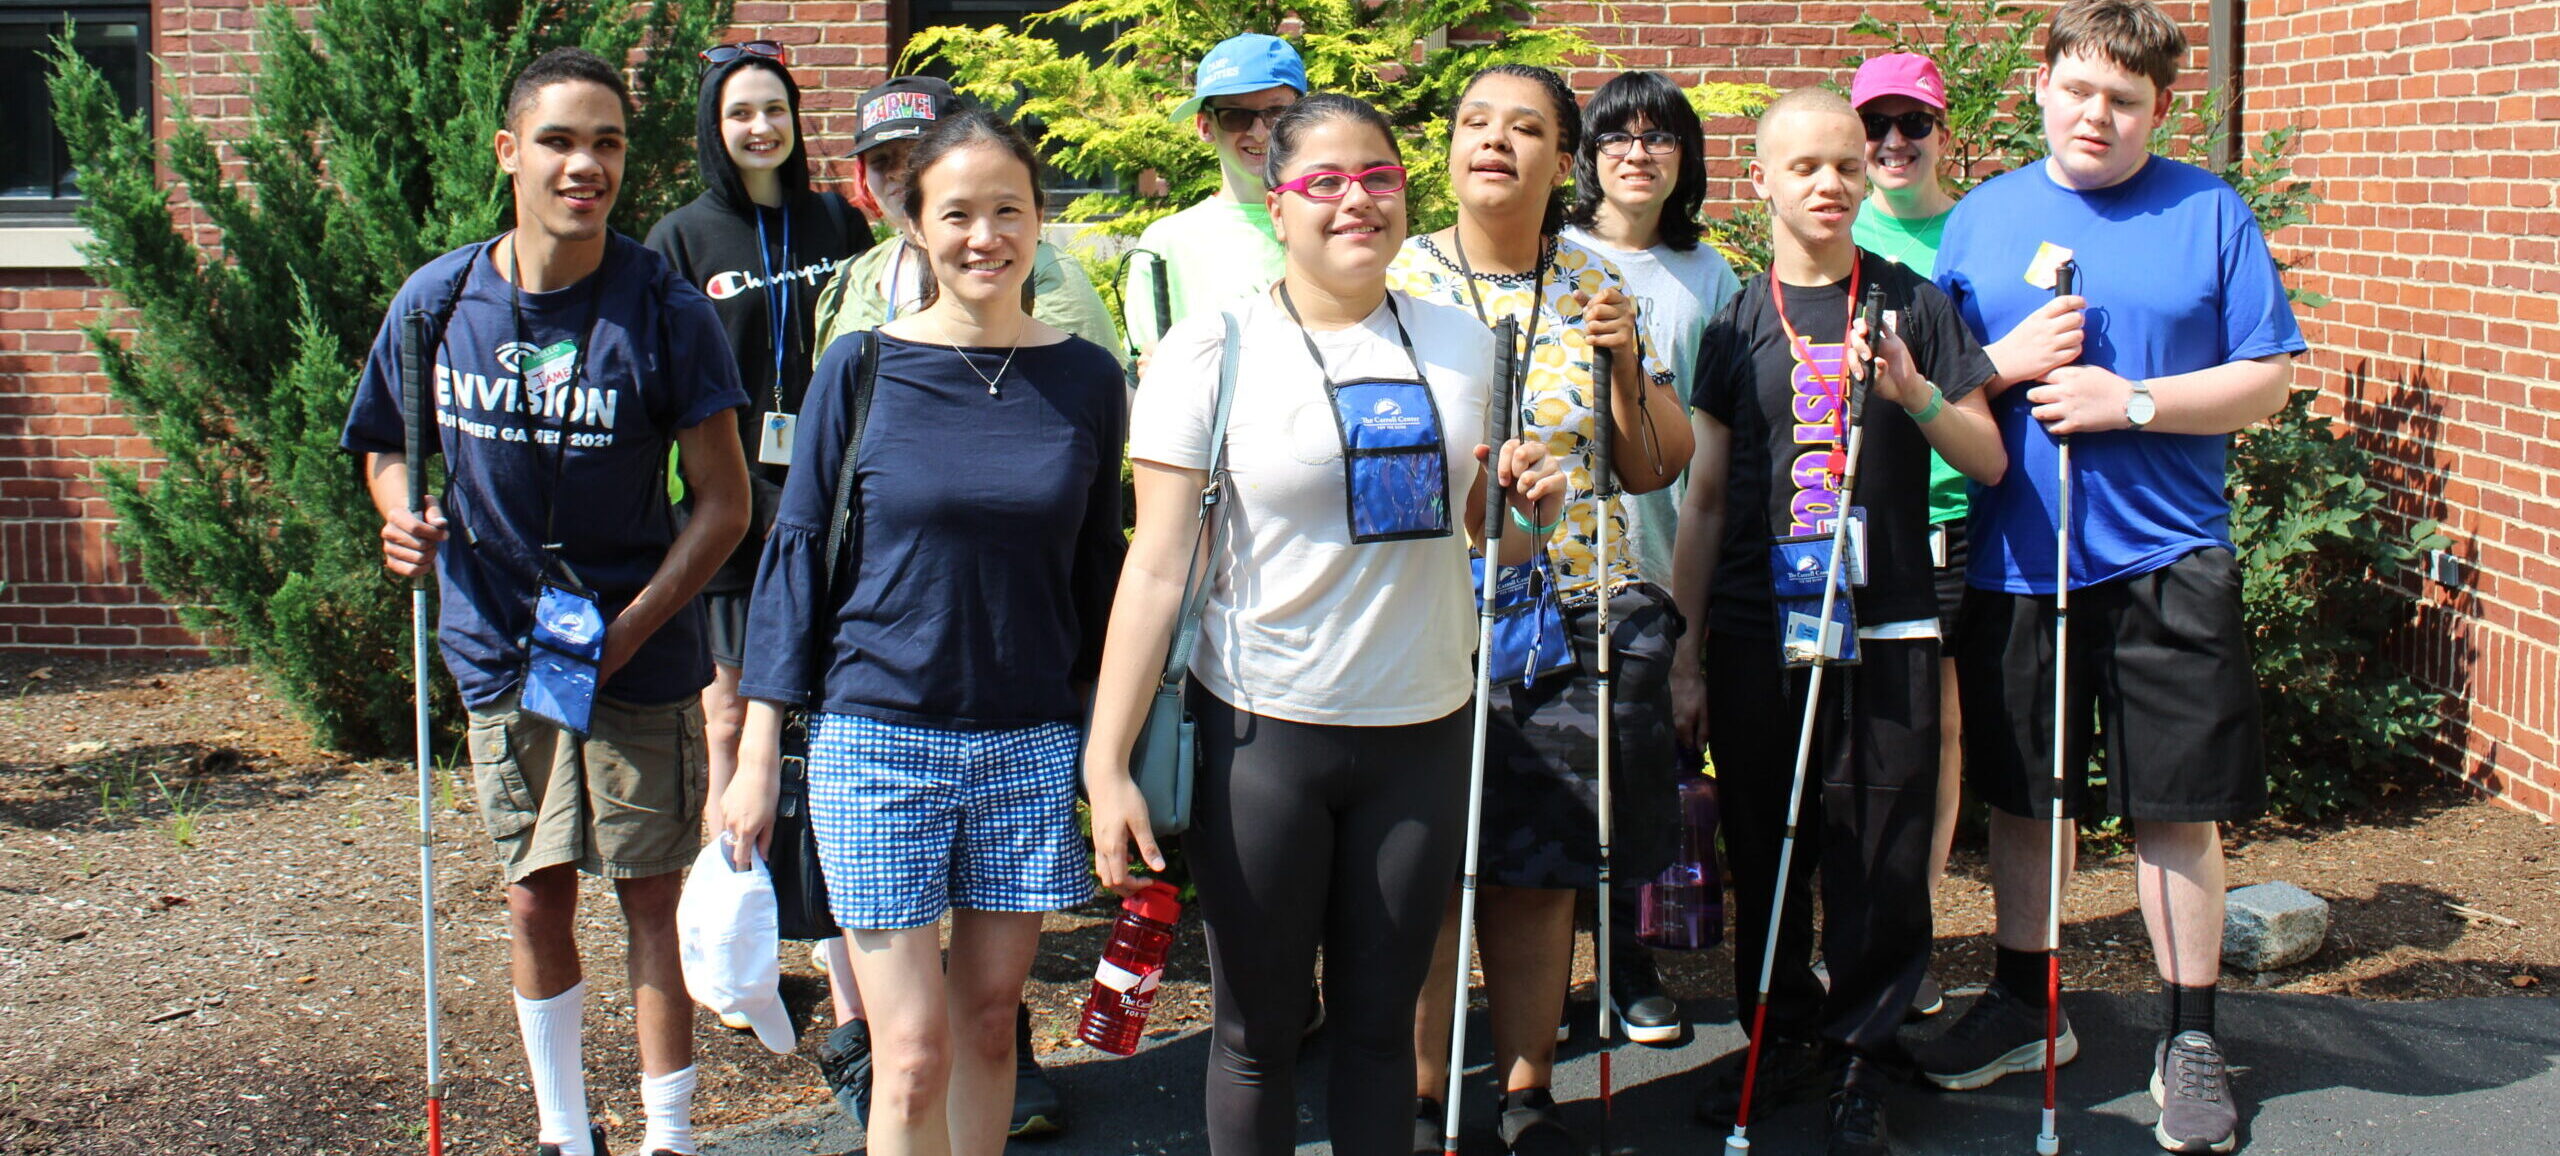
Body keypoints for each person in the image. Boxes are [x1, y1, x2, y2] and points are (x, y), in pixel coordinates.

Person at [1082, 93, 1565, 1154]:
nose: (1358, 201)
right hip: (1265, 734)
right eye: (1327, 183)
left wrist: (1536, 511)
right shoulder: (1213, 351)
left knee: (1381, 1031)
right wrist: (1107, 761)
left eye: (1380, 178)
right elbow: (1157, 566)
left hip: (1423, 730)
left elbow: (1484, 535)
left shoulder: (1465, 346)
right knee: (1256, 1034)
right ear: (1277, 201)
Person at [341, 47, 752, 1156]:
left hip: (635, 646)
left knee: (650, 901)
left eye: (608, 143)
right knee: (535, 895)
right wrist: (400, 512)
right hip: (498, 643)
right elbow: (385, 440)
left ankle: (670, 1136)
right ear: (508, 153)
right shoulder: (438, 300)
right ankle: (566, 1135)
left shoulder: (665, 311)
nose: (587, 165)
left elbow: (723, 505)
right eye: (562, 141)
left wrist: (633, 628)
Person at [1915, 4, 2305, 1153]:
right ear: (2042, 86)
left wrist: (2126, 401)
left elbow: (2268, 379)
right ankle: (2027, 1004)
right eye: (2079, 91)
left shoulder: (2207, 211)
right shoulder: (1979, 220)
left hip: (2166, 555)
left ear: (2159, 111)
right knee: (2025, 793)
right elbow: (1952, 385)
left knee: (2173, 809)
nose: (2097, 117)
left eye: (2124, 101)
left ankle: (2188, 1035)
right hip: (2018, 560)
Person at [723, 104, 1128, 1155]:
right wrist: (759, 750)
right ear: (912, 223)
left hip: (1026, 737)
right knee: (908, 1052)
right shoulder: (859, 368)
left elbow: (1099, 569)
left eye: (1007, 210)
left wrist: (1108, 748)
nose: (982, 236)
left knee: (990, 1024)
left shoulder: (1086, 379)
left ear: (1040, 222)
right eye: (956, 213)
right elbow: (797, 556)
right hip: (876, 737)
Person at [1668, 87, 2007, 1156]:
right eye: (1804, 166)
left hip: (1891, 622)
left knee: (1880, 847)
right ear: (1759, 179)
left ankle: (1867, 1050)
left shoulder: (1915, 302)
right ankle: (1780, 1031)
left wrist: (1912, 391)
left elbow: (1987, 457)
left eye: (1846, 167)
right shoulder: (1733, 321)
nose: (1829, 184)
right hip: (1759, 634)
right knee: (1770, 846)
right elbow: (1708, 497)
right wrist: (1685, 649)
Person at [1389, 63, 1695, 1154]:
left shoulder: (1595, 283)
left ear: (1561, 162)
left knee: (1537, 866)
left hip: (1569, 618)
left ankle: (1526, 1091)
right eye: (1475, 121)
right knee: (1422, 870)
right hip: (1422, 614)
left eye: (1525, 129)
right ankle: (1422, 1096)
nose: (1495, 143)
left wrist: (1621, 366)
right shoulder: (1396, 277)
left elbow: (1658, 461)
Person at [642, 37, 871, 1044]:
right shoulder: (682, 239)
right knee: (730, 720)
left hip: (828, 509)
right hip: (734, 508)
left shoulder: (838, 222)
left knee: (827, 723)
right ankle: (730, 944)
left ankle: (834, 927)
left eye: (773, 109)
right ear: (715, 127)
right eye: (740, 113)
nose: (759, 127)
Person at [1558, 66, 1745, 1048]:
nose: (1639, 153)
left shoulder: (1711, 279)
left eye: (1660, 138)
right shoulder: (1552, 257)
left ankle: (1630, 971)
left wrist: (1690, 631)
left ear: (1686, 160)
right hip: (1562, 568)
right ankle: (1556, 976)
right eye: (1618, 137)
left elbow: (1712, 459)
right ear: (1586, 156)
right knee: (1561, 785)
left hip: (1666, 569)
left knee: (1641, 786)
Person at [812, 76, 1122, 366]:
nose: (897, 172)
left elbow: (1099, 398)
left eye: (915, 155)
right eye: (881, 161)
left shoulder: (1041, 273)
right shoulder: (855, 277)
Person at [1120, 33, 1304, 355]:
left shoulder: (1335, 219)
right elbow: (1144, 374)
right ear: (1205, 126)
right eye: (1236, 115)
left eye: (1276, 114)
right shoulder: (1167, 243)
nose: (1259, 132)